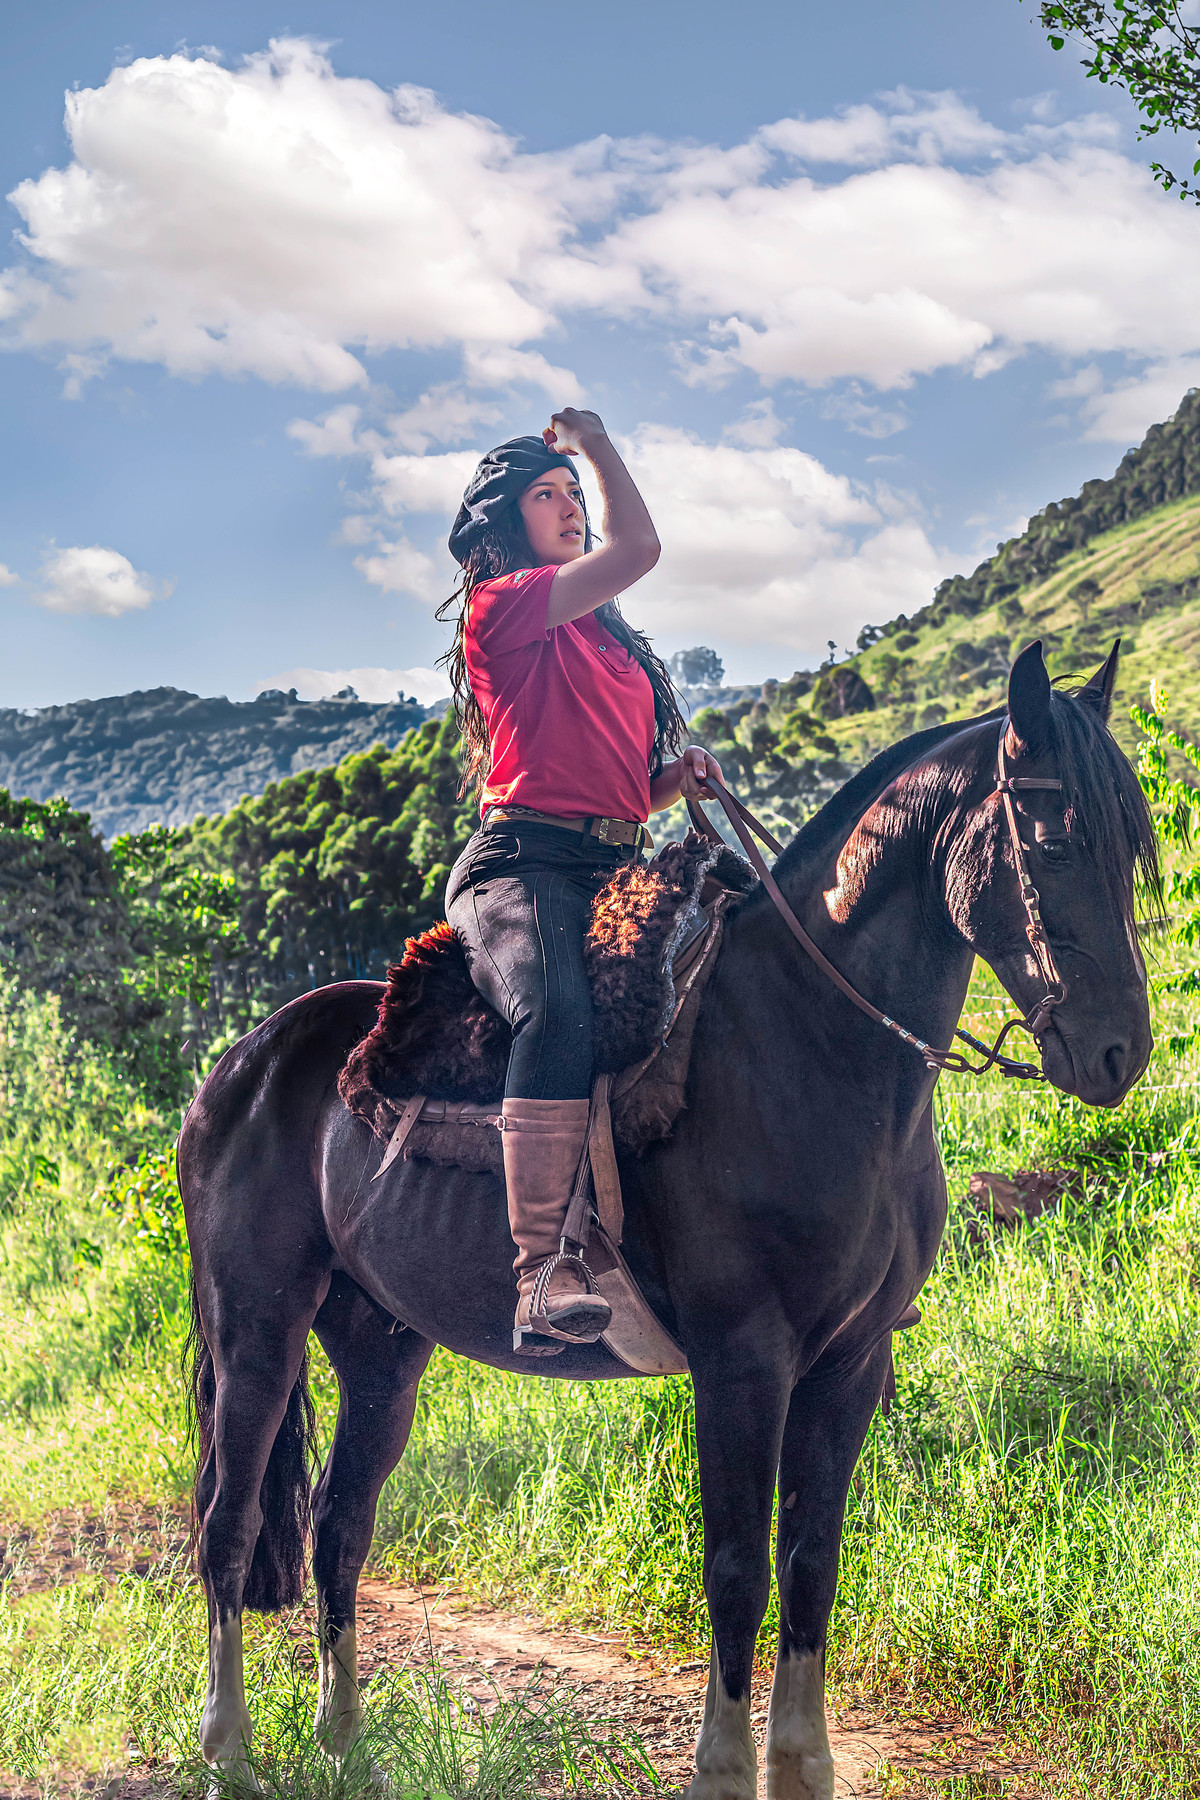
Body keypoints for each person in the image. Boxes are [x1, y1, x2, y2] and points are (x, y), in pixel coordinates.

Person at [439, 409, 724, 1356]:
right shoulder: (508, 603)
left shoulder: (603, 639)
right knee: (558, 1014)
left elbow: (609, 790)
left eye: (571, 494)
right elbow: (640, 543)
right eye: (546, 495)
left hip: (611, 861)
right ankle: (539, 1270)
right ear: (507, 523)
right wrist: (595, 445)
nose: (568, 509)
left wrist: (674, 782)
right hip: (521, 864)